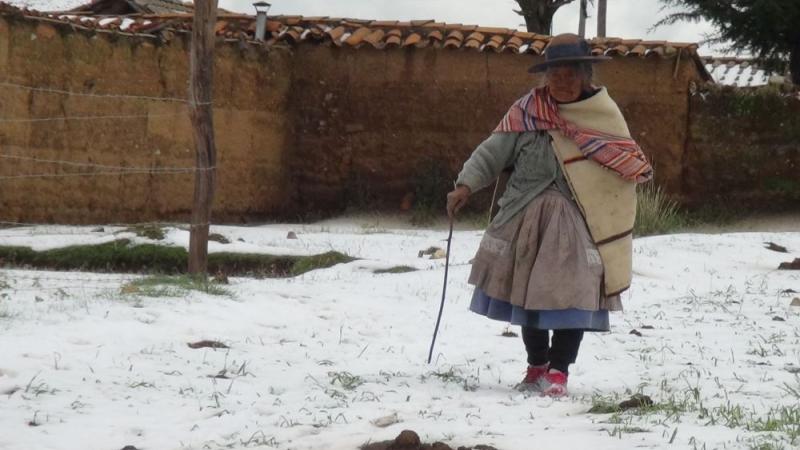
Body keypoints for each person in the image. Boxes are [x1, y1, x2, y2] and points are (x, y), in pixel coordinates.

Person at [446, 33, 653, 397]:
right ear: (545, 76)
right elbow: (492, 151)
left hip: (580, 220)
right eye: (555, 73)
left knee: (574, 294)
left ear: (586, 75)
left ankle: (559, 370)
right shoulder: (527, 111)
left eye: (571, 72)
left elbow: (623, 162)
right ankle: (536, 364)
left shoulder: (602, 116)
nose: (563, 80)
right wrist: (465, 185)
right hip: (524, 216)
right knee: (529, 294)